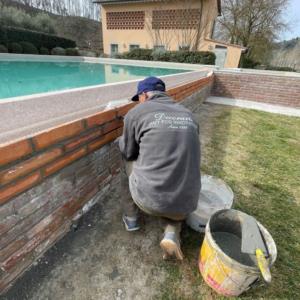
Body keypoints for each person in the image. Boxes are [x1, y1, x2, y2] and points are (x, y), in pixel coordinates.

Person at [118, 76, 201, 260]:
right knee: (179, 179)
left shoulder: (136, 113)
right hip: (187, 203)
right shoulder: (189, 115)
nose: (139, 102)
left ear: (144, 95)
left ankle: (131, 219)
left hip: (149, 200)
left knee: (125, 164)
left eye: (138, 98)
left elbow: (129, 152)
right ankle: (171, 232)